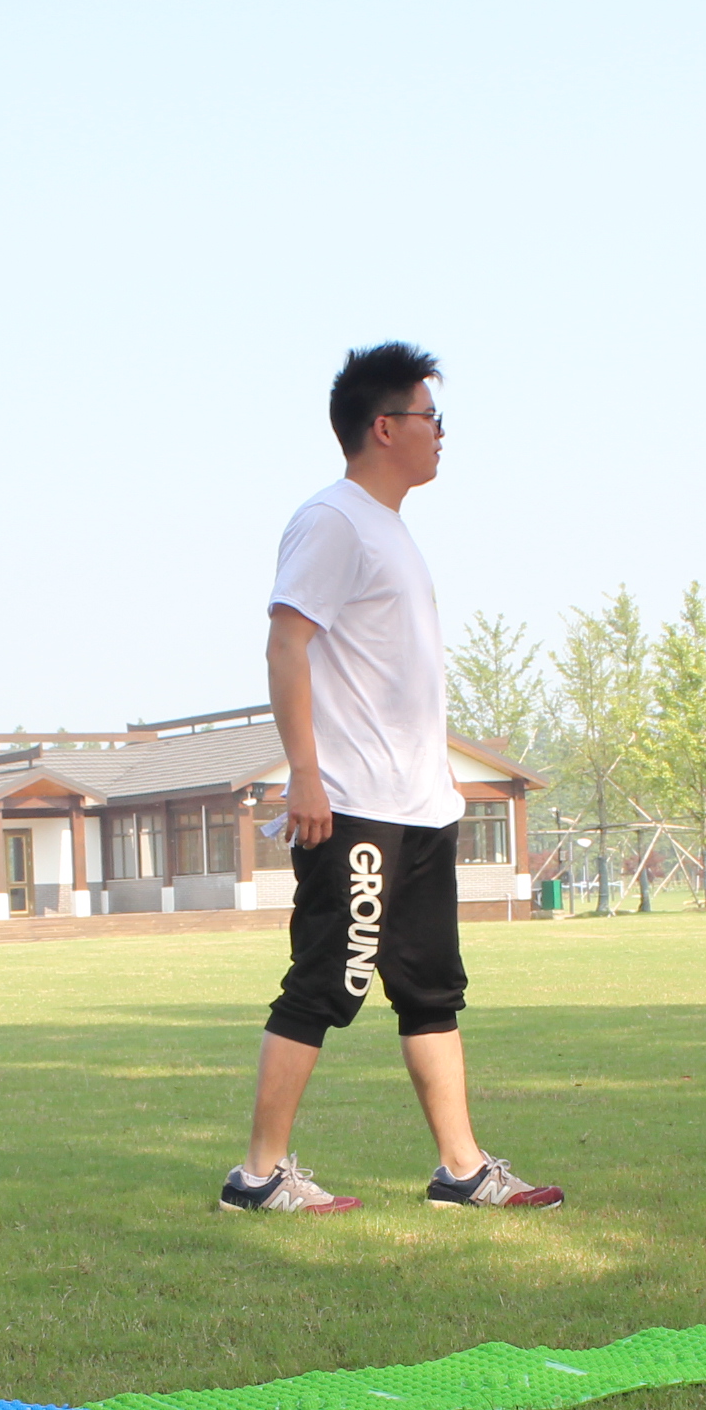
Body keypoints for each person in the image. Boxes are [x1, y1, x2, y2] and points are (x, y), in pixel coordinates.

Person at [223, 342, 564, 1215]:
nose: (441, 433)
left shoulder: (390, 528)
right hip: (354, 808)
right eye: (429, 417)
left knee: (431, 989)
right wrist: (304, 775)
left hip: (419, 809)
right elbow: (286, 644)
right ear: (384, 427)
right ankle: (258, 1177)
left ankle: (463, 1170)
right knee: (325, 984)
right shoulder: (332, 521)